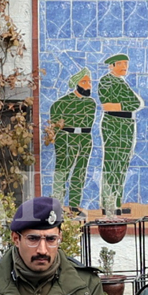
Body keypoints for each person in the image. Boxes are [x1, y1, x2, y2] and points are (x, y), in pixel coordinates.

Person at [98, 53, 143, 208]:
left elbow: (136, 103)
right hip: (114, 122)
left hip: (127, 124)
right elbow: (108, 106)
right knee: (112, 162)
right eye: (121, 64)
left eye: (126, 63)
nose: (125, 67)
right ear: (112, 66)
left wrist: (122, 104)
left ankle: (117, 201)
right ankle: (108, 202)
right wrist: (124, 104)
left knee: (122, 163)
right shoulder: (107, 81)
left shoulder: (121, 82)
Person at [50, 68, 97, 210]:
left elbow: (87, 121)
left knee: (80, 171)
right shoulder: (61, 103)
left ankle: (74, 206)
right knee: (62, 171)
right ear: (77, 84)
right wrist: (62, 140)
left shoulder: (91, 103)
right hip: (66, 138)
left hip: (85, 138)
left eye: (89, 81)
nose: (88, 85)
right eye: (84, 82)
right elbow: (55, 126)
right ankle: (57, 205)